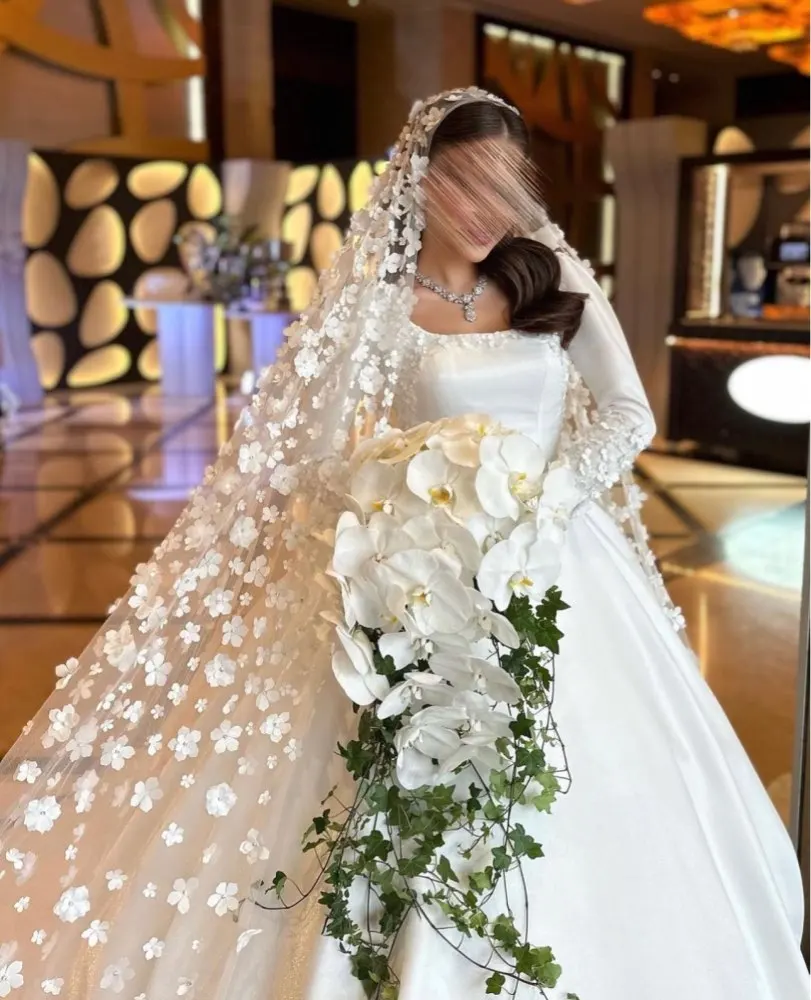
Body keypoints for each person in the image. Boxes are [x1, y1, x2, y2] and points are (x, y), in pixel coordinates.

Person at [0, 89, 805, 1000]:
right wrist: (389, 526)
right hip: (422, 572)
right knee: (402, 773)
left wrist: (542, 501)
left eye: (501, 187)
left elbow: (628, 413)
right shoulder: (376, 310)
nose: (483, 211)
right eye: (461, 185)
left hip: (554, 559)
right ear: (415, 185)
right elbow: (322, 460)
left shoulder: (552, 280)